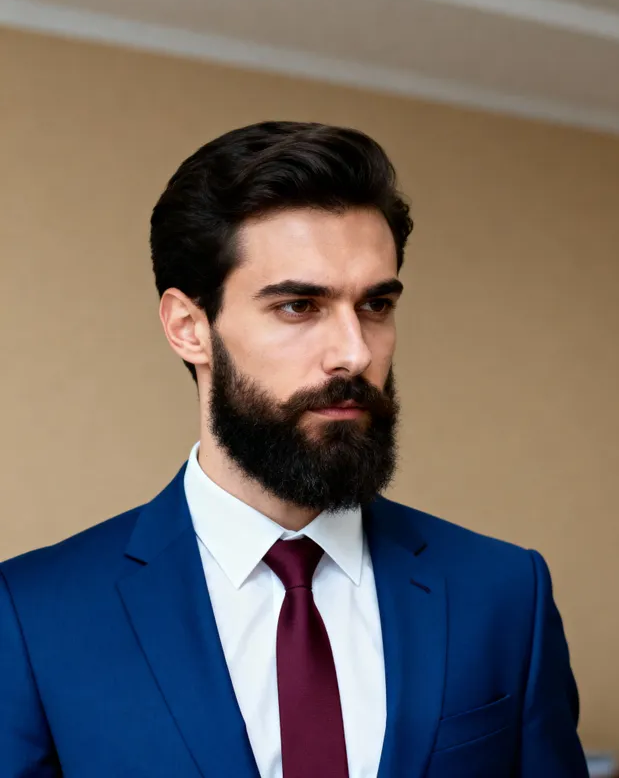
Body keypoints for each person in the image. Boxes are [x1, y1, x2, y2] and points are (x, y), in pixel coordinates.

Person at [0, 121, 588, 777]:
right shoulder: (32, 616)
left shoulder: (505, 594)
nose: (355, 353)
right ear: (189, 328)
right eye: (299, 306)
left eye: (375, 305)